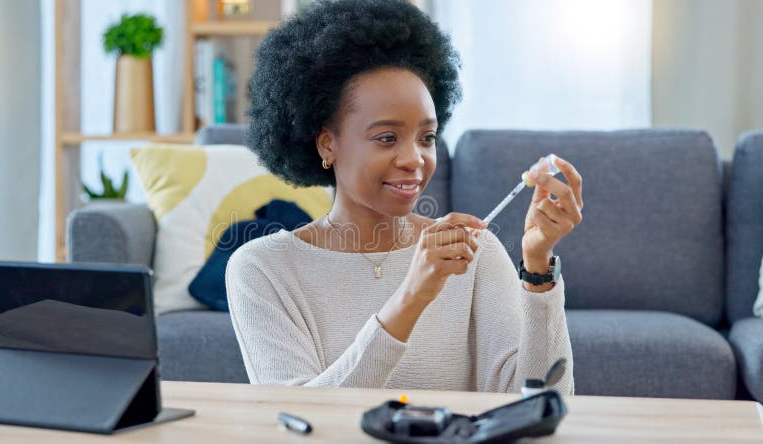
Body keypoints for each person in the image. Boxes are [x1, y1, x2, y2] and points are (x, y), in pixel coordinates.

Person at [226, 0, 583, 393]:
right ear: (328, 144)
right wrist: (412, 295)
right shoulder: (262, 269)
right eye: (387, 138)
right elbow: (297, 417)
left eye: (426, 137)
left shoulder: (475, 254)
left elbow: (540, 400)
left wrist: (537, 268)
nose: (415, 159)